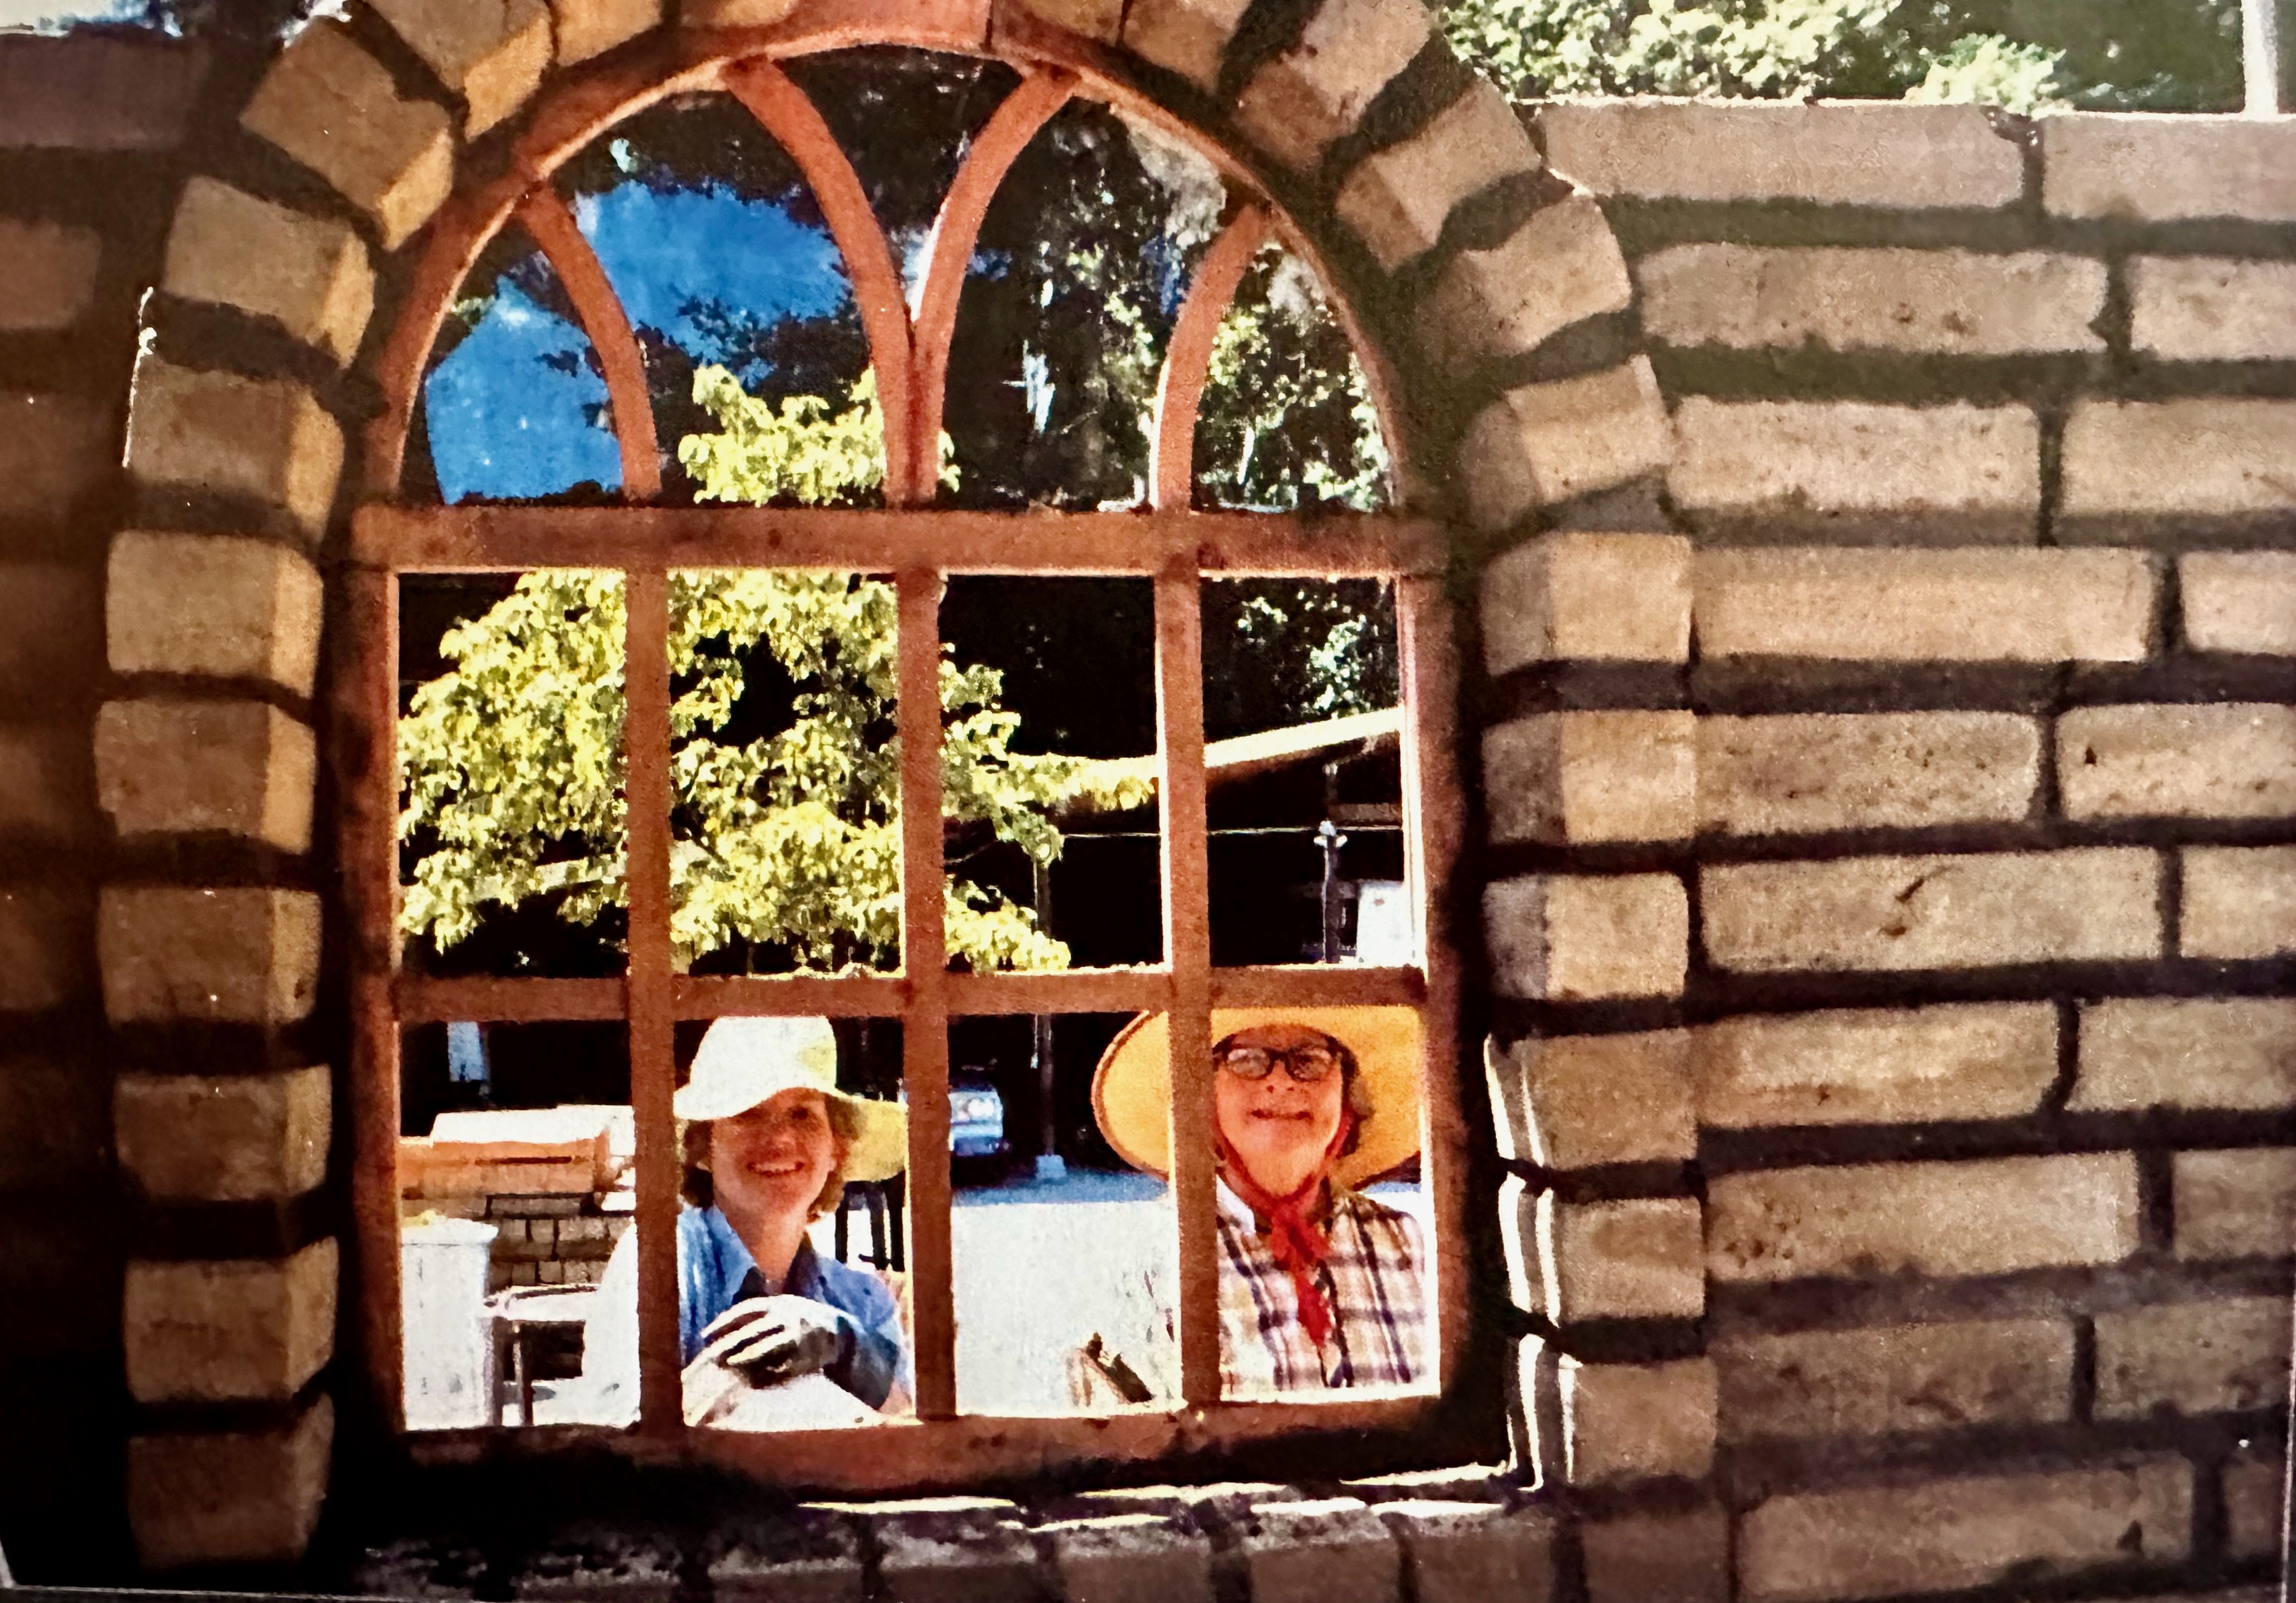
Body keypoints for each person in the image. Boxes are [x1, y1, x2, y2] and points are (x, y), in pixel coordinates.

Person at [583, 1015, 911, 1425]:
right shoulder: (662, 1260)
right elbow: (619, 1438)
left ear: (836, 1151)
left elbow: (913, 1449)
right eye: (749, 1113)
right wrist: (738, 1374)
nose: (780, 1139)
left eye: (802, 1114)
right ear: (702, 1148)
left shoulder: (861, 1302)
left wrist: (846, 1346)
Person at [1088, 1004, 1427, 1397]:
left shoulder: (1406, 1241)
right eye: (1247, 1060)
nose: (1281, 1082)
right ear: (1204, 1096)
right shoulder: (1155, 1258)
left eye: (1309, 1060)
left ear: (1347, 1097)